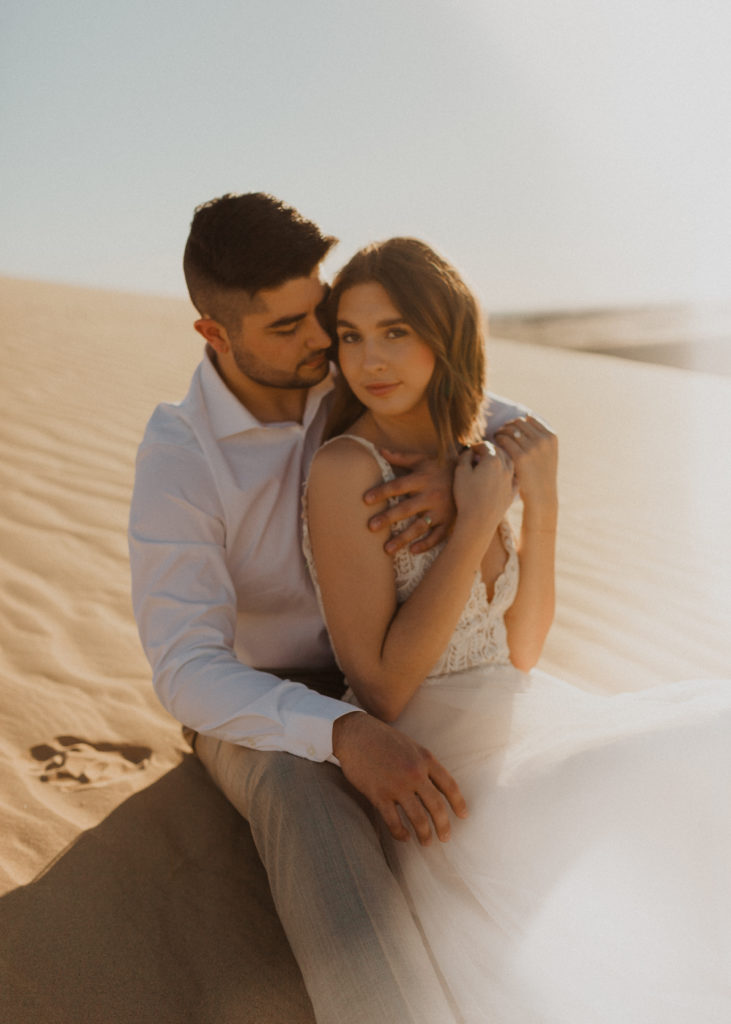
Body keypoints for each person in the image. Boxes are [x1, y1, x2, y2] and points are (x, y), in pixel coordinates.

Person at [303, 236, 731, 1023]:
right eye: (352, 336)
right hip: (442, 759)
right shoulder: (346, 469)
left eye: (394, 331)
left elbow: (523, 649)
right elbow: (382, 688)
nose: (370, 358)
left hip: (529, 713)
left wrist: (541, 506)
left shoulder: (470, 456)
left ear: (445, 332)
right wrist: (471, 531)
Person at [128, 193, 533, 1024]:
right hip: (261, 696)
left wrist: (466, 466)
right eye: (285, 328)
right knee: (298, 786)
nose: (321, 341)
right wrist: (338, 731)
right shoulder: (180, 455)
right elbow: (184, 667)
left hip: (398, 667)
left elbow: (511, 418)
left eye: (320, 312)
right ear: (214, 333)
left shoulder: (341, 377)